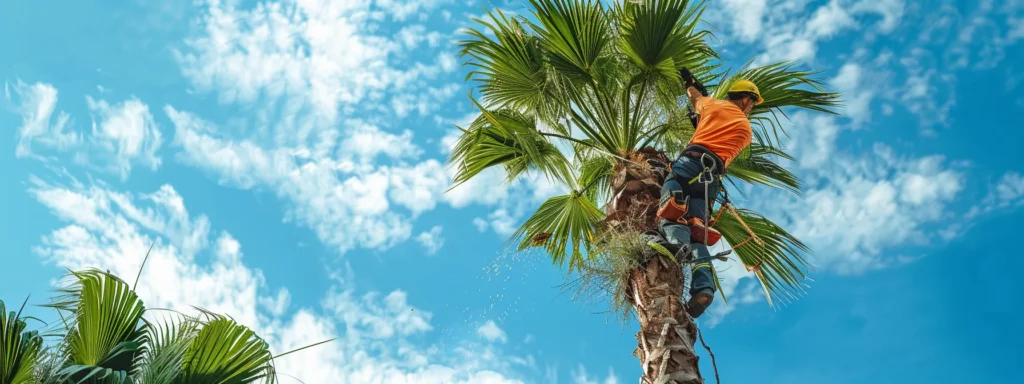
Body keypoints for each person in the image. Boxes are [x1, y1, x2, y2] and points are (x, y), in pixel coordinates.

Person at [656, 77, 762, 319]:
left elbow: (695, 99)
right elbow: (715, 134)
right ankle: (704, 288)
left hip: (689, 163)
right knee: (697, 230)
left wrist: (690, 84)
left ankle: (677, 247)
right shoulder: (746, 130)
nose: (751, 107)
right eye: (752, 104)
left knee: (670, 211)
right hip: (710, 180)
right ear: (745, 99)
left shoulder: (713, 105)